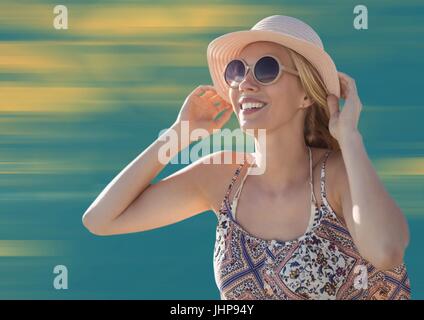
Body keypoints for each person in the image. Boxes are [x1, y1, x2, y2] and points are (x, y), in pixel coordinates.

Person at [82, 15, 411, 300]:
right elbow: (101, 220)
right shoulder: (223, 177)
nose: (245, 84)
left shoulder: (338, 175)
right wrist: (179, 134)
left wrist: (350, 138)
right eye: (237, 71)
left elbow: (386, 251)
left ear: (307, 94)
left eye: (267, 69)